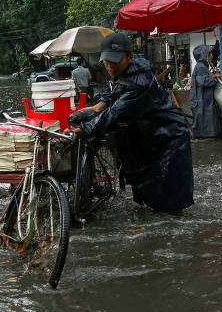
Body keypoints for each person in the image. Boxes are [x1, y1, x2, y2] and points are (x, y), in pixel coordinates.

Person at [69, 32, 194, 212]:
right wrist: (97, 107)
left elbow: (117, 113)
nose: (110, 66)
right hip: (149, 135)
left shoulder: (139, 82)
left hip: (168, 138)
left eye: (115, 61)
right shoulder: (121, 70)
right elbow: (111, 89)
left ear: (130, 57)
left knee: (169, 200)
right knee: (150, 192)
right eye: (107, 61)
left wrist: (87, 128)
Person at [190, 31, 222, 138]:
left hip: (203, 99)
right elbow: (203, 81)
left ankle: (206, 136)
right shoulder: (201, 67)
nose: (212, 55)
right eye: (210, 53)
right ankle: (207, 137)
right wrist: (214, 77)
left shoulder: (201, 66)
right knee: (206, 121)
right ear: (205, 55)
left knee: (205, 120)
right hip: (202, 100)